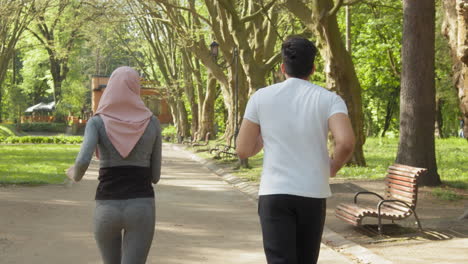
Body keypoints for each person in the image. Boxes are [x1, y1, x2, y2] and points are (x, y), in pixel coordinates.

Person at [236, 36, 355, 264]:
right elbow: (346, 142)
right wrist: (333, 167)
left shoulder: (260, 97)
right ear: (313, 68)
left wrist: (263, 138)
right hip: (312, 192)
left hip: (274, 192)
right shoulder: (330, 100)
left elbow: (243, 150)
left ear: (282, 68)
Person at [66, 66, 162, 264]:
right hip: (141, 207)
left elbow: (83, 160)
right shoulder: (152, 123)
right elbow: (155, 176)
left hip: (106, 207)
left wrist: (73, 174)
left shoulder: (97, 122)